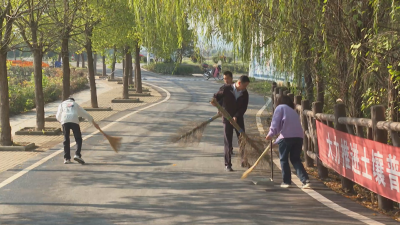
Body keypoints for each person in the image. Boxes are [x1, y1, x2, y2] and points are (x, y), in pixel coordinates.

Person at [265, 95, 311, 188]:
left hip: (286, 138)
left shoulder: (280, 108)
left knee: (283, 159)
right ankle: (305, 180)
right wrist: (276, 142)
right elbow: (288, 129)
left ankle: (287, 182)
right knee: (295, 159)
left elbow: (275, 123)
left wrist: (270, 134)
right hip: (298, 137)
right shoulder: (293, 111)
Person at [212, 75, 250, 172]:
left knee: (242, 139)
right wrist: (218, 107)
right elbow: (216, 97)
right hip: (227, 118)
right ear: (239, 83)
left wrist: (237, 116)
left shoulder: (245, 93)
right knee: (228, 141)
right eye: (244, 86)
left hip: (238, 119)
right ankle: (228, 164)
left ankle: (243, 160)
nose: (245, 88)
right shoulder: (226, 89)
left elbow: (244, 107)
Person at [56, 97, 100, 164]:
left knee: (66, 139)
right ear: (73, 100)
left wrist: (61, 121)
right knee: (78, 138)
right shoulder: (75, 104)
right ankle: (77, 154)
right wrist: (93, 122)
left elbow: (58, 116)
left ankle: (67, 158)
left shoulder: (62, 104)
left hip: (64, 120)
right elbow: (85, 113)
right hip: (74, 120)